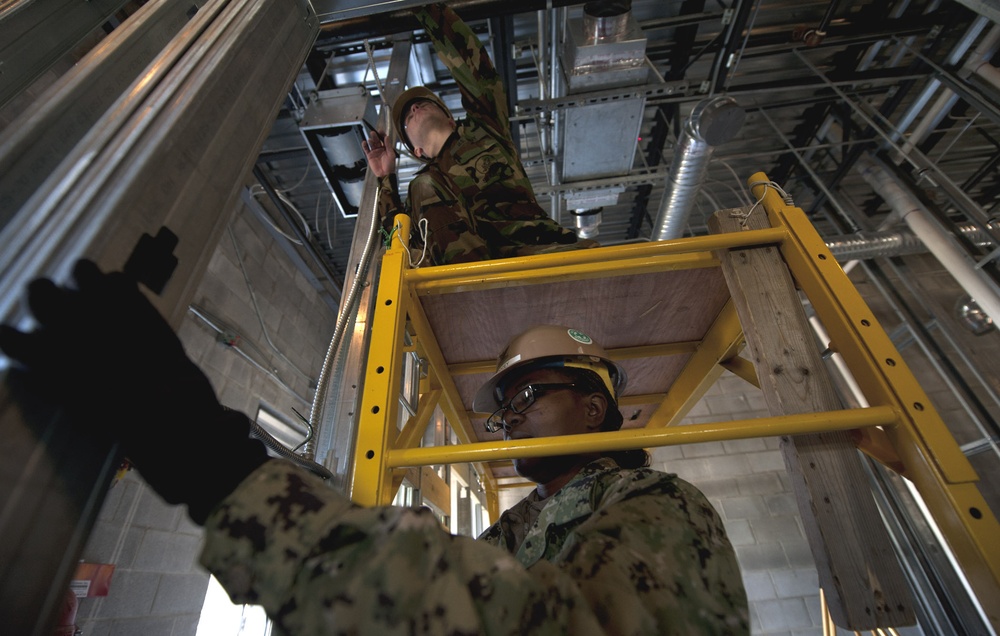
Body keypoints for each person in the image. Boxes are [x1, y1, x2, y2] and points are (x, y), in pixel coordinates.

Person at [0, 260, 748, 634]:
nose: (510, 417)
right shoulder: (525, 524)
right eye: (505, 406)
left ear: (593, 406)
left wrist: (224, 474)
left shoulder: (660, 506)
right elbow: (422, 588)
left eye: (527, 396)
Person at [362, 3, 595, 266]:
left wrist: (425, 7)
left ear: (450, 118)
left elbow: (474, 69)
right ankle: (467, 284)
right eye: (407, 118)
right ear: (418, 152)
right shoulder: (426, 192)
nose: (414, 107)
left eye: (423, 103)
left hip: (537, 253)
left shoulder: (486, 130)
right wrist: (385, 178)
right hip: (469, 279)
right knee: (421, 190)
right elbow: (397, 242)